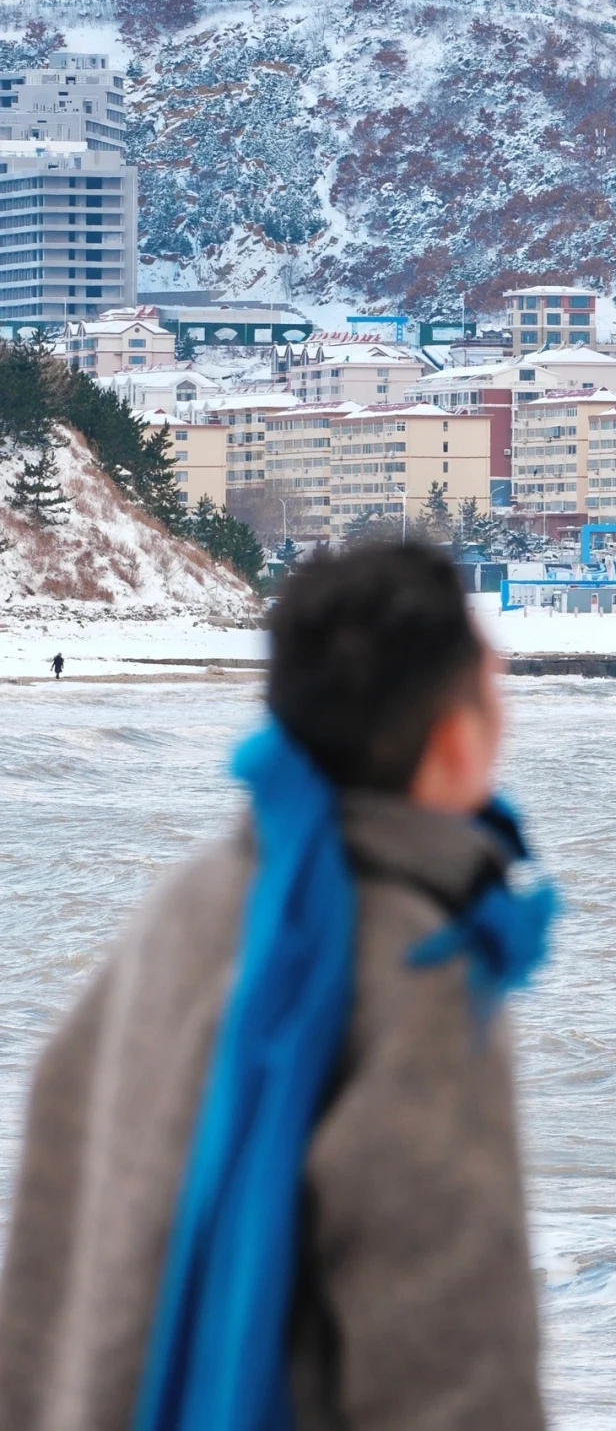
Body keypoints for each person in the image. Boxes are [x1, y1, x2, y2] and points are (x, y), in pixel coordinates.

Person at [0, 541, 551, 1431]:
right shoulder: (418, 966)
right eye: (495, 683)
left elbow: (49, 1247)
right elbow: (452, 1366)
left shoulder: (186, 908)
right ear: (456, 739)